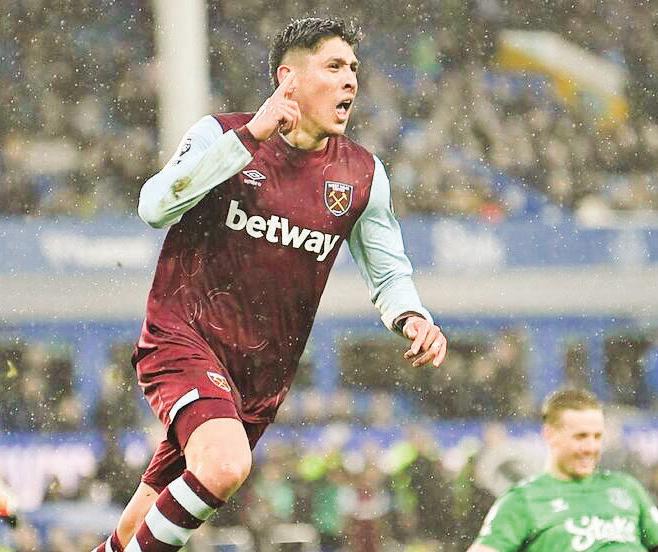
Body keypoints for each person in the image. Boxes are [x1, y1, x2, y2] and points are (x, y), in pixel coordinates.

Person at [93, 17, 447, 552]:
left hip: (260, 376)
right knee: (224, 465)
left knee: (135, 525)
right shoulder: (221, 134)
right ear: (289, 79)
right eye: (334, 67)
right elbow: (154, 206)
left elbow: (389, 270)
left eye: (353, 69)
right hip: (185, 338)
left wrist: (412, 316)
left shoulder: (362, 175)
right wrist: (250, 137)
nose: (350, 80)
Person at [468, 388, 658, 552]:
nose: (591, 447)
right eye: (580, 437)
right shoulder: (523, 500)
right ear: (550, 434)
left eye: (597, 436)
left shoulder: (626, 488)